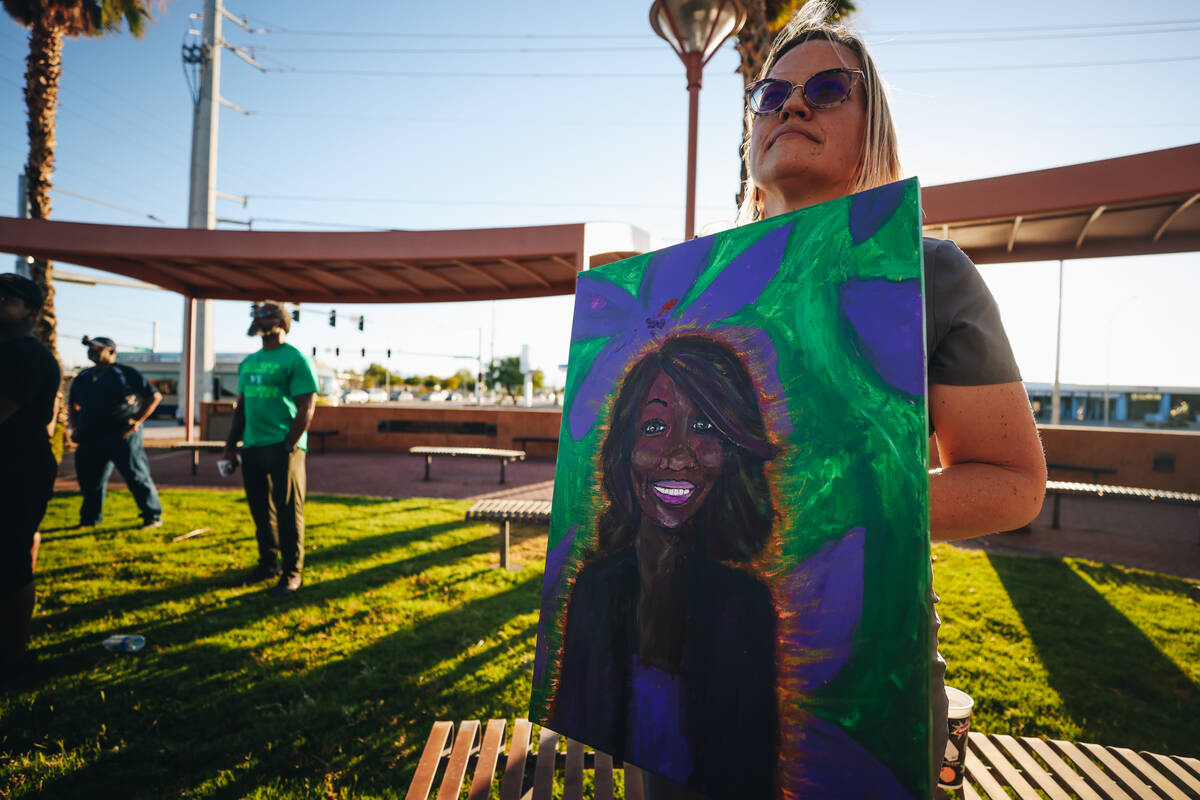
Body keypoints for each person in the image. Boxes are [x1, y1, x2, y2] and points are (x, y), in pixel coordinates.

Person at [739, 3, 1047, 797]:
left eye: (828, 89)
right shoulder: (694, 286)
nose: (793, 105)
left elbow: (1012, 484)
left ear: (872, 130)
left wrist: (834, 512)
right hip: (689, 665)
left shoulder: (930, 273)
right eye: (771, 96)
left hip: (864, 677)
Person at [552, 334, 779, 800]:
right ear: (623, 448)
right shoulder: (594, 590)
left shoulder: (746, 605)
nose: (678, 454)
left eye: (704, 426)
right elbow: (577, 729)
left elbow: (753, 773)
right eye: (655, 427)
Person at [221, 301, 319, 598]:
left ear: (283, 324)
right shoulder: (249, 361)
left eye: (268, 315)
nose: (261, 319)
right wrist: (230, 447)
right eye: (258, 315)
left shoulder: (296, 359)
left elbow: (307, 405)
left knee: (289, 512)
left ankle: (292, 572)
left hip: (284, 447)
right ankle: (267, 564)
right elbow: (242, 407)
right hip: (252, 446)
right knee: (260, 512)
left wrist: (290, 443)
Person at [0, 273, 61, 682]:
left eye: (6, 298)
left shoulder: (24, 354)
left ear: (32, 313)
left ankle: (13, 659)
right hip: (21, 460)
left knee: (10, 559)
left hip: (16, 466)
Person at [67, 336, 164, 528]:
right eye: (90, 349)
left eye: (97, 349)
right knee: (89, 480)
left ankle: (152, 516)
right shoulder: (84, 377)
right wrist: (75, 427)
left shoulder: (125, 373)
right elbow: (73, 405)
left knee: (136, 475)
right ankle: (90, 519)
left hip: (121, 435)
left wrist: (135, 421)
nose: (92, 352)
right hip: (90, 437)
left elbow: (154, 396)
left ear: (111, 352)